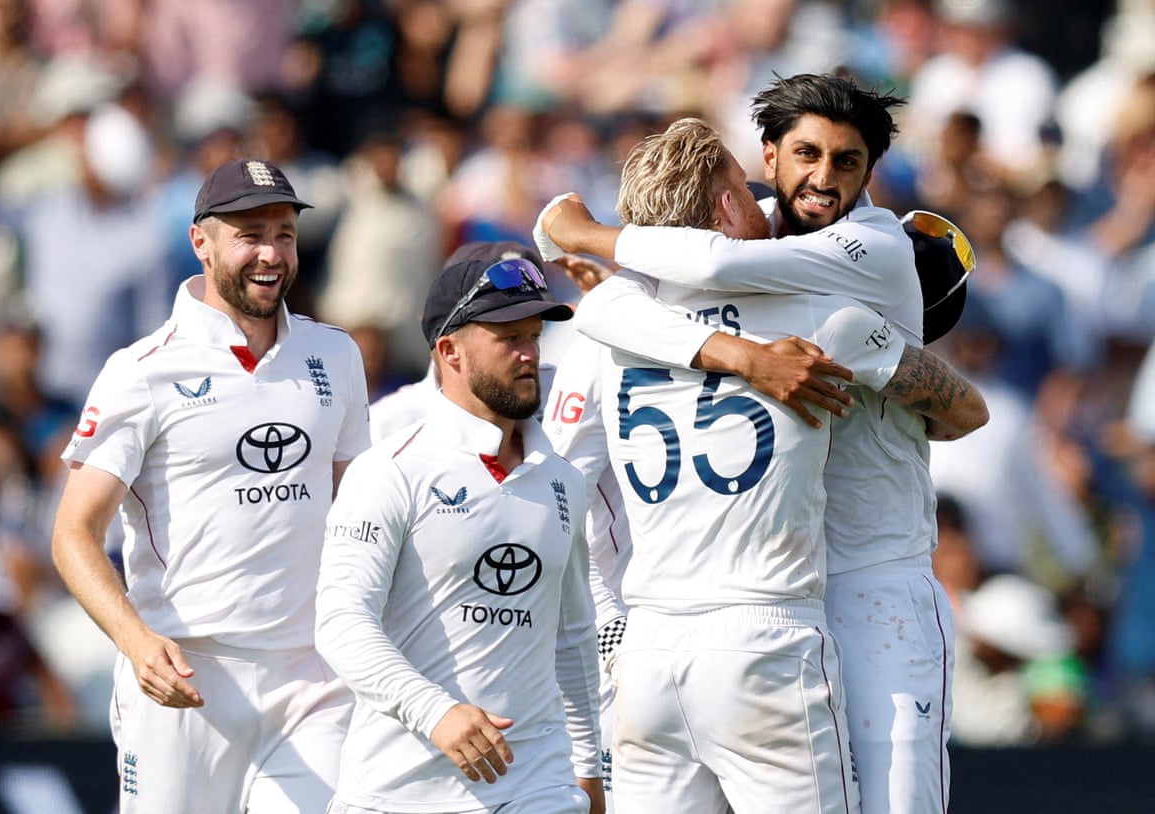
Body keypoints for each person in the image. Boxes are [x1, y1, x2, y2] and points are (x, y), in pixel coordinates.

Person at [538, 74, 989, 814]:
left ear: (870, 173)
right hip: (767, 600)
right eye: (806, 154)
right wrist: (740, 354)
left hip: (872, 582)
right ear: (767, 158)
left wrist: (581, 235)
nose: (823, 179)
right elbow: (645, 292)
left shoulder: (870, 246)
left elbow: (694, 274)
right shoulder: (742, 240)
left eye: (848, 162)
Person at [50, 158, 372, 812]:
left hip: (313, 678)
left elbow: (361, 513)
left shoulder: (335, 355)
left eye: (284, 234)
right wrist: (136, 641)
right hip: (186, 679)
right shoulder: (140, 371)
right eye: (249, 234)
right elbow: (73, 533)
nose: (272, 254)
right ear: (201, 243)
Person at [315, 249, 606, 814]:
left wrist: (589, 769)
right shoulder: (391, 469)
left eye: (533, 336)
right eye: (507, 339)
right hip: (398, 793)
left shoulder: (562, 480)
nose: (529, 355)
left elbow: (572, 636)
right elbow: (341, 623)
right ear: (449, 351)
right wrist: (437, 712)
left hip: (538, 784)